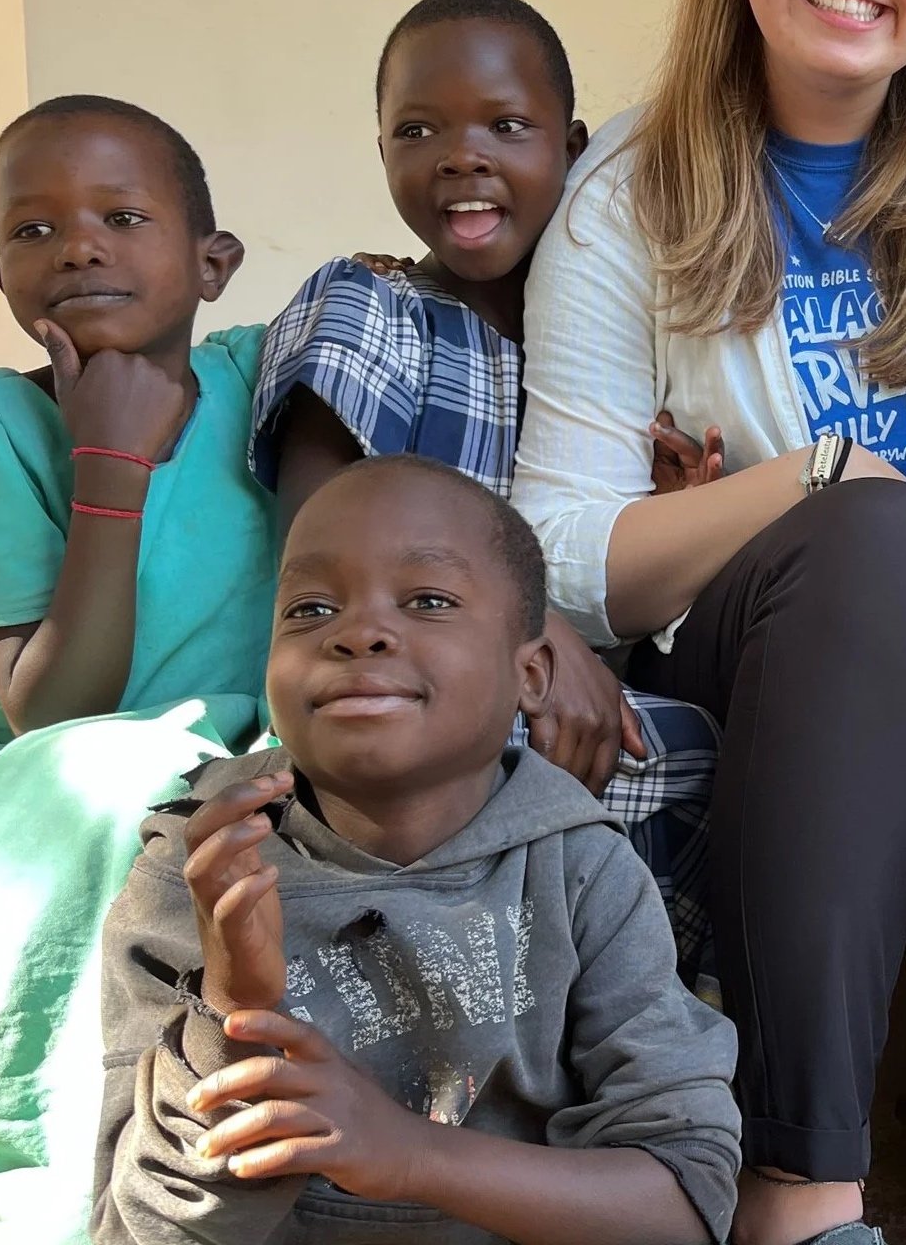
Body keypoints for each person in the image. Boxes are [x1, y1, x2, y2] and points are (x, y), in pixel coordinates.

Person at [509, 0, 906, 1245]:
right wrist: (810, 481)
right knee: (872, 536)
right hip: (797, 690)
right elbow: (559, 551)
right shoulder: (632, 193)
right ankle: (802, 1199)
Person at [92, 454, 742, 1245]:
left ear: (530, 674)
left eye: (428, 600)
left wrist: (408, 1155)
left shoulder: (580, 871)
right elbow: (137, 1232)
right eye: (309, 608)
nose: (357, 632)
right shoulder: (201, 873)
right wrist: (231, 1013)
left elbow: (682, 1204)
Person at [0, 95, 276, 1242]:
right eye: (34, 231)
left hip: (220, 749)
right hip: (19, 784)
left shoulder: (265, 384)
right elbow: (52, 710)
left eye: (121, 215)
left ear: (213, 263)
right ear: (1, 276)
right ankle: (41, 1194)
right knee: (105, 774)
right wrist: (109, 459)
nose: (78, 245)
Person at [251, 0, 720, 968]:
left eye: (508, 126)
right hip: (398, 686)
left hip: (587, 694)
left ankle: (637, 1036)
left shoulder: (616, 346)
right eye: (418, 130)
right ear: (381, 151)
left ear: (576, 148)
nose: (463, 156)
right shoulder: (372, 307)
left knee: (711, 755)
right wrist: (533, 631)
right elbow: (319, 547)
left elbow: (626, 570)